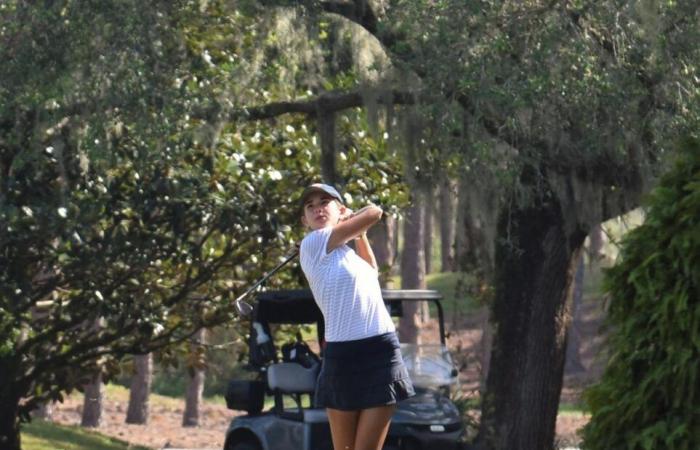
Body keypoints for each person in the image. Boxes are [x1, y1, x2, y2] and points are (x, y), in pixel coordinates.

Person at [298, 183, 415, 450]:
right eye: (310, 206)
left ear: (339, 209)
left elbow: (371, 271)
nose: (317, 208)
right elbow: (374, 212)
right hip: (344, 355)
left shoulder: (348, 255)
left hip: (381, 351)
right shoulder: (313, 244)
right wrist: (354, 218)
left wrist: (358, 233)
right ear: (304, 220)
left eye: (324, 202)